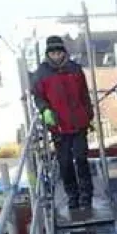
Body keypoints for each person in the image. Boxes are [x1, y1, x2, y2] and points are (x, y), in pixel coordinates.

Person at [32, 35, 94, 211]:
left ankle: (86, 195)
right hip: (59, 126)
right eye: (53, 53)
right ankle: (72, 196)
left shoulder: (75, 69)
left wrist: (88, 114)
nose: (56, 56)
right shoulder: (41, 74)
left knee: (81, 159)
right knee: (65, 163)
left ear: (64, 52)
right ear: (48, 54)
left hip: (79, 123)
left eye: (59, 52)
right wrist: (45, 110)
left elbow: (84, 94)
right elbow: (38, 96)